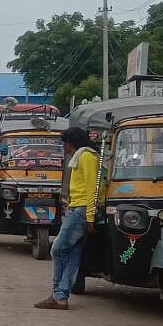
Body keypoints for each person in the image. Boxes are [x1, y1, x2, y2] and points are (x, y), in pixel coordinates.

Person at [35, 127, 99, 311]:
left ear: (71, 143)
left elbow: (92, 189)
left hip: (80, 211)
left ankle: (58, 295)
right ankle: (60, 296)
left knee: (57, 250)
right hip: (78, 209)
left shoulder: (86, 157)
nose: (64, 147)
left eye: (65, 144)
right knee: (72, 253)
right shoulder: (83, 156)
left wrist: (90, 217)